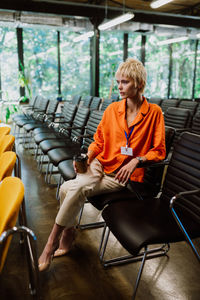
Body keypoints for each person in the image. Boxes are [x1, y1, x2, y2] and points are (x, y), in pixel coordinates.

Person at [38, 58, 166, 271]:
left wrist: (137, 160)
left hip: (122, 176)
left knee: (67, 188)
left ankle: (55, 239)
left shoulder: (154, 113)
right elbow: (99, 141)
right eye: (118, 82)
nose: (119, 87)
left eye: (124, 82)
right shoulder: (112, 110)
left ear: (139, 83)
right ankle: (63, 235)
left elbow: (159, 151)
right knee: (75, 187)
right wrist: (87, 157)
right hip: (100, 164)